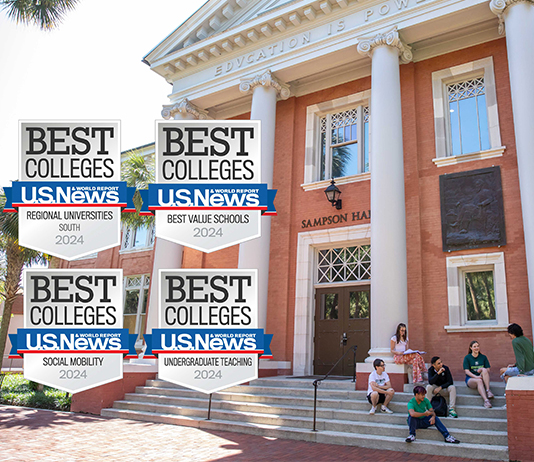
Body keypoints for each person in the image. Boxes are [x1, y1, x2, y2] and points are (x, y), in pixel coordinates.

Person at [463, 340, 495, 408]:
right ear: (471, 348)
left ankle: (488, 390)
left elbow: (488, 369)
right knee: (479, 381)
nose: (476, 348)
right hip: (471, 379)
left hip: (481, 377)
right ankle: (486, 401)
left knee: (484, 369)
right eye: (474, 346)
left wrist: (481, 370)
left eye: (477, 346)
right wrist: (476, 377)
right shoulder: (467, 358)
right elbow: (467, 371)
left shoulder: (483, 357)